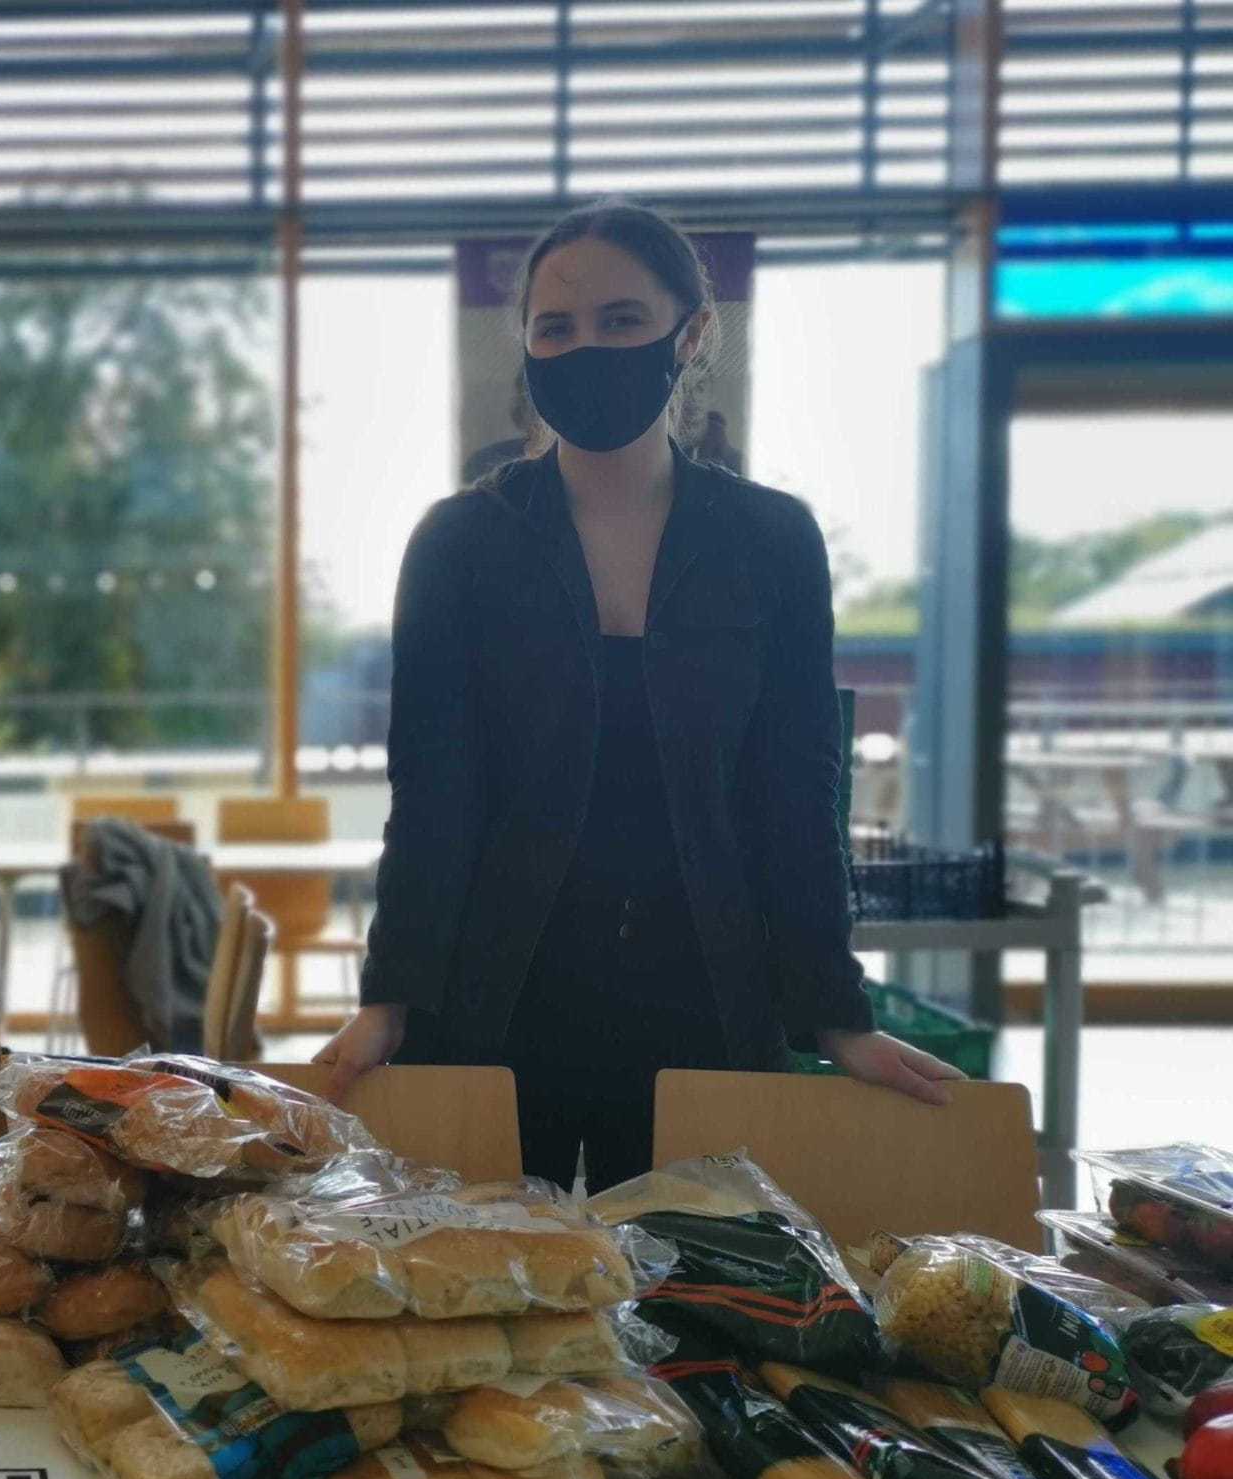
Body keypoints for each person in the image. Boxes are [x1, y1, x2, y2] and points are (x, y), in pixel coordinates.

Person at [315, 201, 961, 1191]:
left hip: (706, 1001)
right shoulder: (459, 544)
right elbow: (433, 795)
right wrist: (389, 998)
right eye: (556, 327)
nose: (586, 349)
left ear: (689, 334)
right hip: (498, 1001)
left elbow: (796, 795)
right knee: (496, 1311)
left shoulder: (770, 541)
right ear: (525, 345)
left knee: (688, 1320)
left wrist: (837, 1016)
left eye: (622, 321)